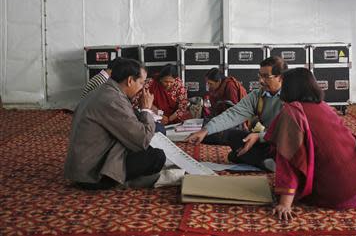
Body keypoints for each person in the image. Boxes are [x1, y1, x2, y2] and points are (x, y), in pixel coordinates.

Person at [266, 68, 356, 221]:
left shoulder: (292, 112)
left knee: (283, 149)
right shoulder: (323, 106)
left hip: (343, 193)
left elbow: (288, 158)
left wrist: (285, 203)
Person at [64, 58, 166, 189]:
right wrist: (146, 109)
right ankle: (122, 182)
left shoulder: (107, 90)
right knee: (156, 157)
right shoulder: (112, 100)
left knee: (157, 129)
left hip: (88, 162)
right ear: (130, 81)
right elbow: (142, 139)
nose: (142, 88)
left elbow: (130, 119)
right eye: (141, 83)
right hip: (92, 174)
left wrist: (144, 113)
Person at [186, 56, 288, 170]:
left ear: (280, 77)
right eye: (260, 76)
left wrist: (260, 136)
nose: (261, 81)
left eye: (266, 77)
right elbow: (233, 114)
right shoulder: (257, 96)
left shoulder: (291, 95)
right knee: (233, 136)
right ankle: (265, 160)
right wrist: (205, 130)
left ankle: (262, 160)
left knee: (235, 155)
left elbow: (291, 132)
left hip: (286, 141)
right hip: (268, 140)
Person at [202, 67, 248, 145]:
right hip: (221, 116)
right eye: (207, 83)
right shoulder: (213, 88)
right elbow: (214, 107)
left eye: (210, 83)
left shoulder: (230, 86)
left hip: (234, 117)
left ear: (219, 81)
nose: (209, 86)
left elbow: (235, 108)